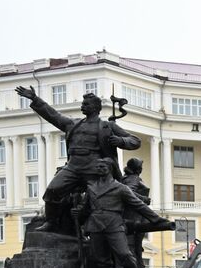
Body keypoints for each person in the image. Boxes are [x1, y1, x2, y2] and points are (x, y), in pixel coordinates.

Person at [14, 85, 140, 231]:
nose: (82, 106)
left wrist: (121, 141)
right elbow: (52, 115)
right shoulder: (72, 124)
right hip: (73, 166)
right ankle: (51, 222)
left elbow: (135, 141)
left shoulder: (107, 126)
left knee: (98, 199)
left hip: (94, 168)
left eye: (86, 104)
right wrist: (35, 99)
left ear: (95, 108)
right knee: (52, 190)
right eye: (82, 104)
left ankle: (99, 228)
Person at [79, 159, 173, 268]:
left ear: (111, 169)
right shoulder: (91, 188)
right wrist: (79, 212)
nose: (99, 168)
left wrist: (156, 219)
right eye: (98, 166)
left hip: (114, 224)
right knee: (101, 259)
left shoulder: (120, 188)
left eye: (103, 166)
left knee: (124, 254)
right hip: (95, 225)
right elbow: (86, 208)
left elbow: (139, 205)